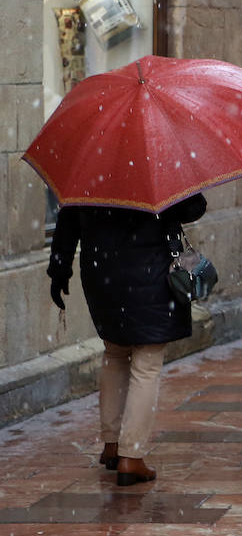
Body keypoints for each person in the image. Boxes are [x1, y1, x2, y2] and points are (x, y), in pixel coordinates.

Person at [47, 192, 209, 486]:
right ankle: (131, 455)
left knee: (115, 353)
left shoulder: (90, 168)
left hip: (102, 273)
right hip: (151, 273)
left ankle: (111, 444)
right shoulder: (157, 159)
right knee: (146, 363)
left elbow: (68, 221)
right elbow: (193, 208)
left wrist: (59, 269)